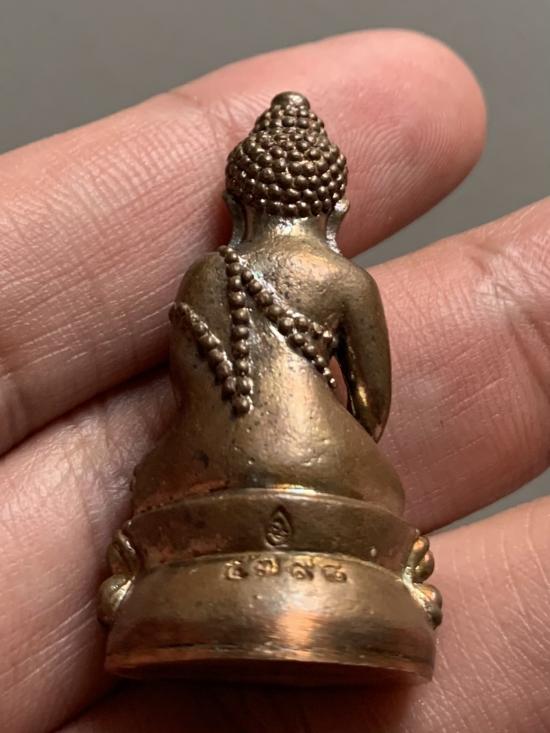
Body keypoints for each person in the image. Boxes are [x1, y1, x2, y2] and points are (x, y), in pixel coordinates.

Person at [0, 29, 548, 733]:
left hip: (203, 470)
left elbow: (189, 389)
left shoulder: (205, 276)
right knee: (377, 485)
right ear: (334, 213)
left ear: (238, 206)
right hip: (326, 465)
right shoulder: (345, 280)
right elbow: (372, 403)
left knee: (154, 483)